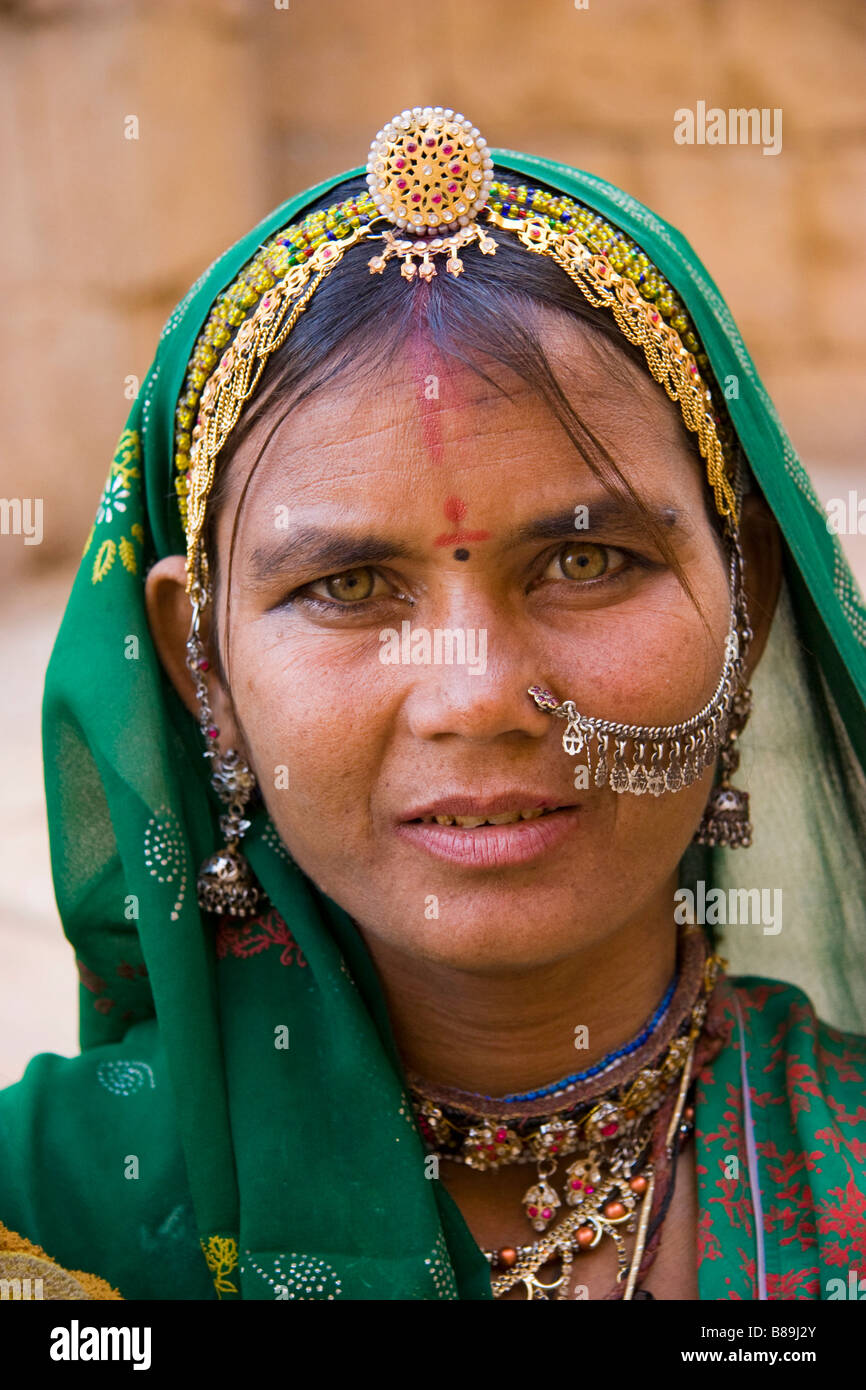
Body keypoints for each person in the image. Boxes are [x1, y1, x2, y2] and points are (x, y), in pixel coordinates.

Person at [1, 106, 865, 1302]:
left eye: (583, 562)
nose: (475, 697)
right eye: (347, 586)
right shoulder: (48, 1223)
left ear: (748, 599)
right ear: (200, 660)